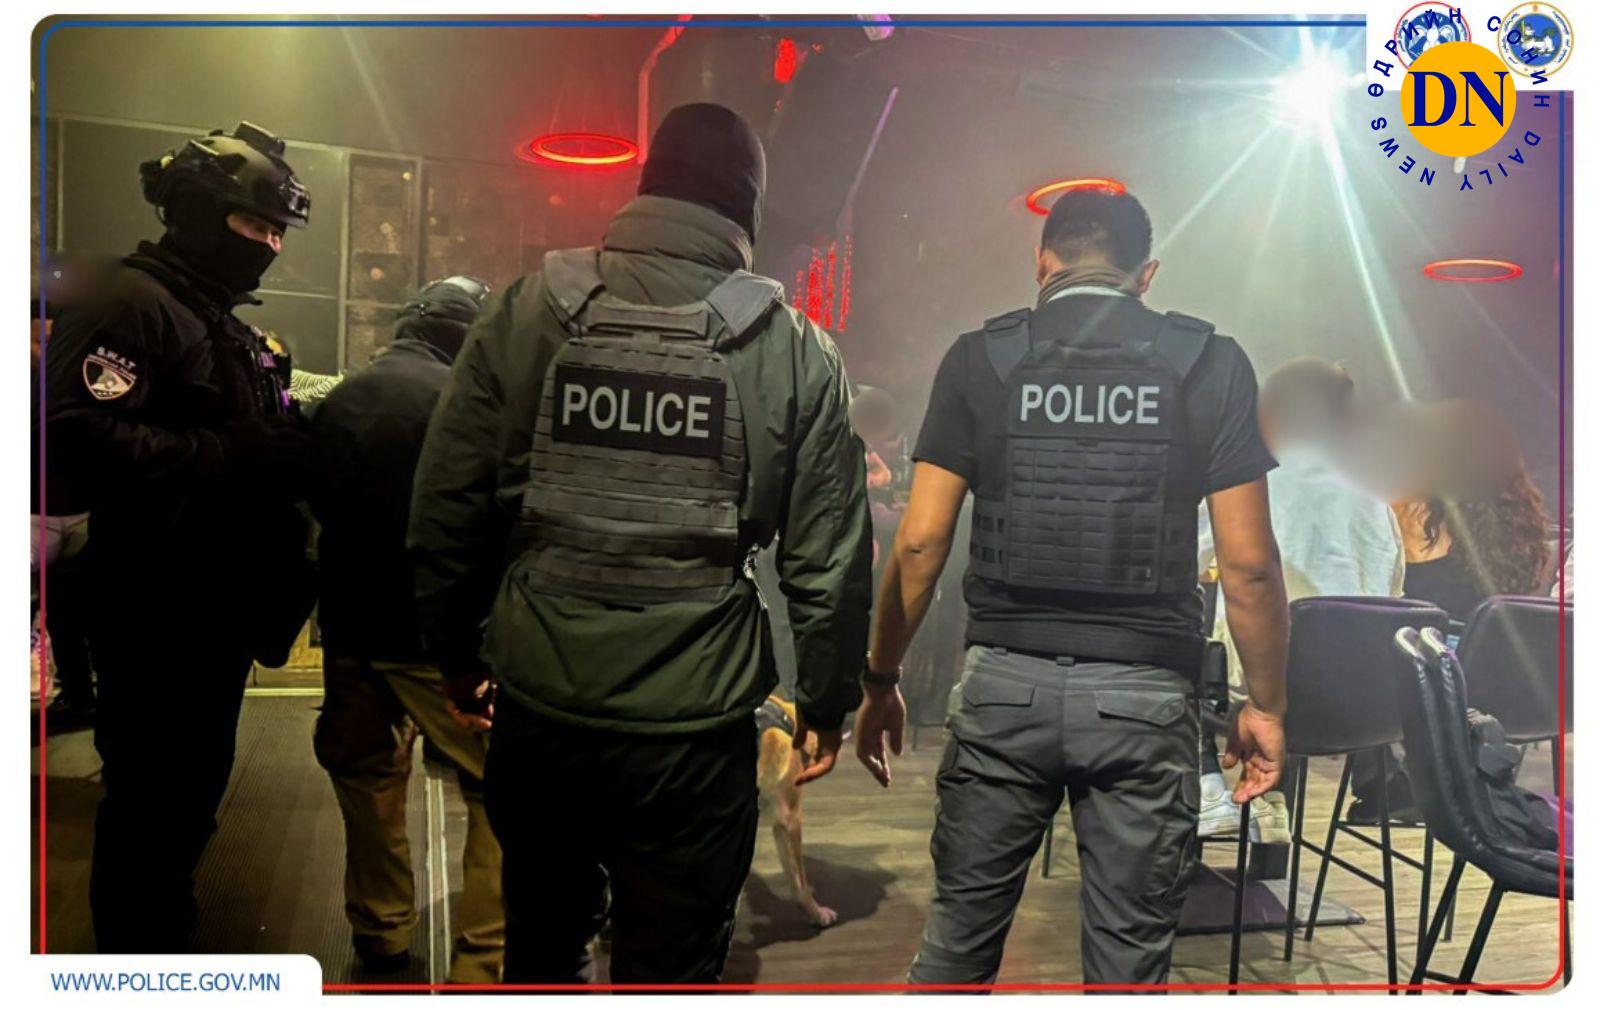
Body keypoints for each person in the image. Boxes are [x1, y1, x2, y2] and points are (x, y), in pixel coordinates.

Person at [408, 103, 873, 984]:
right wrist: (827, 701)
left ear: (648, 184)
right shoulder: (793, 349)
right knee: (671, 973)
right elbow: (830, 561)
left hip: (541, 708)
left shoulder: (525, 312)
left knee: (542, 955)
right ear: (747, 210)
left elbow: (447, 506)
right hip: (694, 734)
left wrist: (457, 656)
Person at [853, 186, 1290, 987]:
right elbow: (1251, 566)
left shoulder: (979, 358)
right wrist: (1264, 705)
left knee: (955, 951)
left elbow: (918, 544)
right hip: (1145, 696)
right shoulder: (1210, 363)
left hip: (1003, 690)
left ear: (1041, 262)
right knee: (1127, 968)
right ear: (1145, 275)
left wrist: (880, 680)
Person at [43, 122, 317, 951]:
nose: (268, 245)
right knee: (151, 808)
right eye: (253, 223)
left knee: (187, 801)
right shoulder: (132, 302)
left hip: (207, 609)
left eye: (277, 230)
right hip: (156, 607)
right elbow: (70, 434)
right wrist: (225, 452)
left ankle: (161, 939)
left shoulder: (203, 313)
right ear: (197, 210)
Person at [309, 275, 502, 980]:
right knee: (498, 786)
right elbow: (474, 526)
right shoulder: (464, 406)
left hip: (351, 630)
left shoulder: (341, 398)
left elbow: (315, 506)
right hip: (432, 637)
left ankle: (382, 933)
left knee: (368, 780)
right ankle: (483, 959)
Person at [1197, 358, 1405, 835]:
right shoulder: (1377, 499)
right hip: (1358, 708)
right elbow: (1390, 596)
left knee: (1172, 636)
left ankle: (1205, 783)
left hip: (1264, 695)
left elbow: (1184, 556)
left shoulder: (1249, 481)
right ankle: (1268, 805)